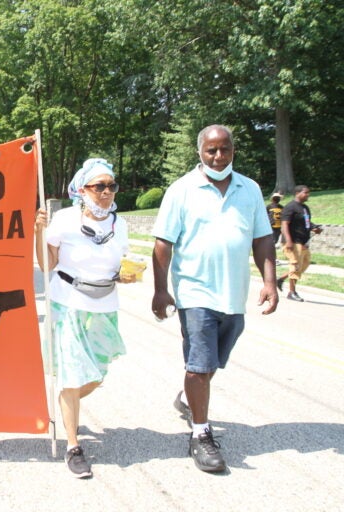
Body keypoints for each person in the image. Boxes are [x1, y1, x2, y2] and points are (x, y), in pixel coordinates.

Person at [151, 125, 278, 473]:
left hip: (233, 294)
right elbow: (163, 244)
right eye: (211, 150)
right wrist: (161, 290)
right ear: (200, 153)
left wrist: (270, 281)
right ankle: (201, 434)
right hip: (195, 292)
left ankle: (188, 400)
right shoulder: (182, 190)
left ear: (233, 150)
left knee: (209, 364)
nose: (218, 156)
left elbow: (263, 239)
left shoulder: (249, 189)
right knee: (200, 364)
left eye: (224, 149)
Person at [35, 158, 135, 479]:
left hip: (104, 304)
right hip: (68, 303)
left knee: (96, 376)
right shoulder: (64, 219)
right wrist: (39, 232)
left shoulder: (120, 225)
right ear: (82, 189)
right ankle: (73, 445)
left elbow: (118, 263)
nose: (106, 192)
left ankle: (69, 400)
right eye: (99, 186)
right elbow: (47, 263)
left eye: (111, 186)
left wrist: (127, 275)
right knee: (72, 374)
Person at [276, 185, 323, 302]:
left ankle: (281, 279)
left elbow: (306, 222)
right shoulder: (290, 207)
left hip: (303, 242)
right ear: (297, 193)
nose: (308, 195)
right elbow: (285, 224)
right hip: (293, 241)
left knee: (304, 264)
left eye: (308, 193)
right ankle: (292, 292)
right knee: (295, 265)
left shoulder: (305, 208)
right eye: (305, 193)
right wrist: (288, 241)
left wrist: (314, 228)